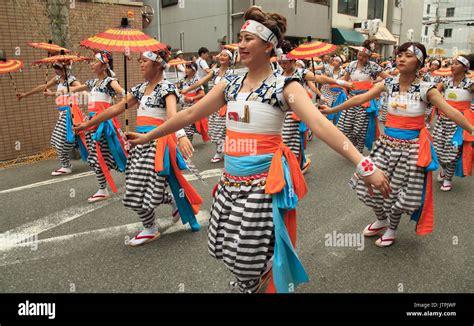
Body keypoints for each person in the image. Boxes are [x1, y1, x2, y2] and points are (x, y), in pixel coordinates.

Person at [127, 6, 389, 292]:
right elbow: (189, 115)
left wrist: (365, 164)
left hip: (263, 185)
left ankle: (252, 280)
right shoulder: (229, 84)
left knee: (245, 257)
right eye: (240, 38)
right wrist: (148, 136)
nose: (241, 44)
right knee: (226, 246)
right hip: (229, 181)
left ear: (268, 46)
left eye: (248, 39)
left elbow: (320, 125)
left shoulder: (284, 86)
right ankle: (255, 274)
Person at [321, 42, 473, 247]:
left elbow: (453, 112)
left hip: (411, 150)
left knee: (395, 193)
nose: (401, 58)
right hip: (384, 146)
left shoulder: (426, 89)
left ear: (419, 62)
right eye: (400, 54)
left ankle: (392, 229)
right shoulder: (388, 83)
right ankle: (381, 220)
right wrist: (331, 110)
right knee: (367, 183)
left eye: (408, 55)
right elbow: (359, 98)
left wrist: (472, 130)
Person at [74, 50, 202, 247]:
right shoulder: (141, 89)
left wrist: (182, 135)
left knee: (136, 187)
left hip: (156, 144)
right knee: (144, 186)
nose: (140, 64)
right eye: (140, 61)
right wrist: (87, 125)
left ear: (158, 64)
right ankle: (174, 205)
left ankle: (150, 228)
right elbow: (115, 109)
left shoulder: (166, 88)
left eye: (145, 61)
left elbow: (172, 115)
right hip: (138, 143)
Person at [55, 51, 127, 202]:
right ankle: (103, 188)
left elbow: (123, 93)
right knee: (95, 157)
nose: (91, 64)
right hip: (91, 124)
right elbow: (74, 89)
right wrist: (63, 90)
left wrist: (126, 98)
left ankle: (134, 176)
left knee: (115, 153)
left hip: (104, 125)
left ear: (104, 65)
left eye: (94, 61)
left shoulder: (109, 81)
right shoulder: (92, 83)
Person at [17, 62, 82, 176]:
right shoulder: (58, 79)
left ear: (66, 68)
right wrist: (25, 94)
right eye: (55, 68)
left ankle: (66, 165)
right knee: (58, 140)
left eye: (59, 68)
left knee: (57, 140)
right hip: (63, 113)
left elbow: (80, 88)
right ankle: (76, 148)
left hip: (70, 113)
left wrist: (53, 94)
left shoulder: (72, 80)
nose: (56, 70)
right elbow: (43, 86)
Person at [335, 40, 390, 153]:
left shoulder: (373, 66)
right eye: (360, 55)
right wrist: (333, 82)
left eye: (364, 57)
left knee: (359, 129)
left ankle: (358, 151)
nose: (361, 58)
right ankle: (352, 146)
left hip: (365, 101)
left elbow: (388, 78)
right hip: (351, 99)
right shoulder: (351, 65)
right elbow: (344, 80)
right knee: (345, 127)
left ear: (369, 57)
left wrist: (374, 85)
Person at [181, 49, 236, 163]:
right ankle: (222, 150)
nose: (222, 57)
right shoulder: (215, 71)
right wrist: (187, 89)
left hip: (226, 106)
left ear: (229, 59)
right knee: (213, 129)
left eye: (225, 55)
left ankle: (220, 153)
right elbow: (200, 82)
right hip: (214, 105)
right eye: (221, 55)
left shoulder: (232, 73)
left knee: (222, 130)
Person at [433, 54, 474, 191]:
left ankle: (448, 179)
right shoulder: (445, 81)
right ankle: (444, 170)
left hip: (459, 124)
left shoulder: (470, 84)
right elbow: (433, 94)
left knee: (453, 152)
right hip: (443, 121)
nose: (452, 66)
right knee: (438, 149)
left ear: (465, 67)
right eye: (452, 63)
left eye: (456, 63)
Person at [177, 62, 209, 143]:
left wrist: (191, 98)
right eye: (186, 67)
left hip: (192, 106)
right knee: (184, 126)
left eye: (188, 68)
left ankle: (188, 143)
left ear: (194, 71)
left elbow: (202, 94)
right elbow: (178, 90)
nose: (186, 70)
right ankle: (187, 143)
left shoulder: (196, 81)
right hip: (183, 105)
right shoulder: (183, 80)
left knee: (187, 126)